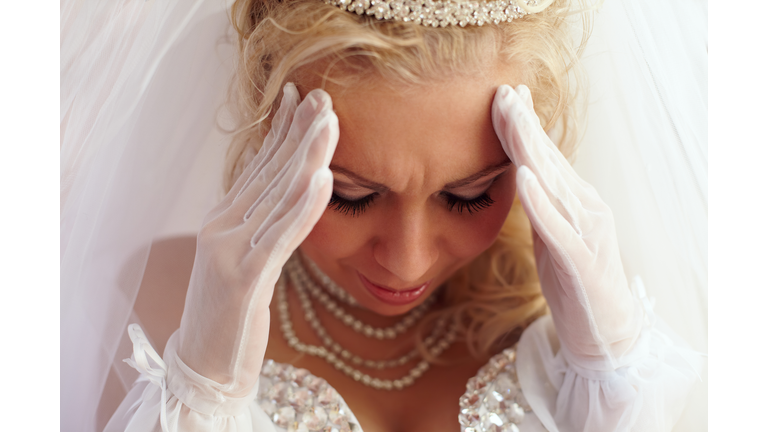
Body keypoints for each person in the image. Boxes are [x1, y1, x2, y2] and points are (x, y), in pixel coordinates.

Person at [60, 0, 707, 431]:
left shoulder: (582, 338)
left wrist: (616, 385)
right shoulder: (143, 299)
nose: (408, 260)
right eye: (350, 195)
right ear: (267, 121)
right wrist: (201, 390)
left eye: (469, 194)